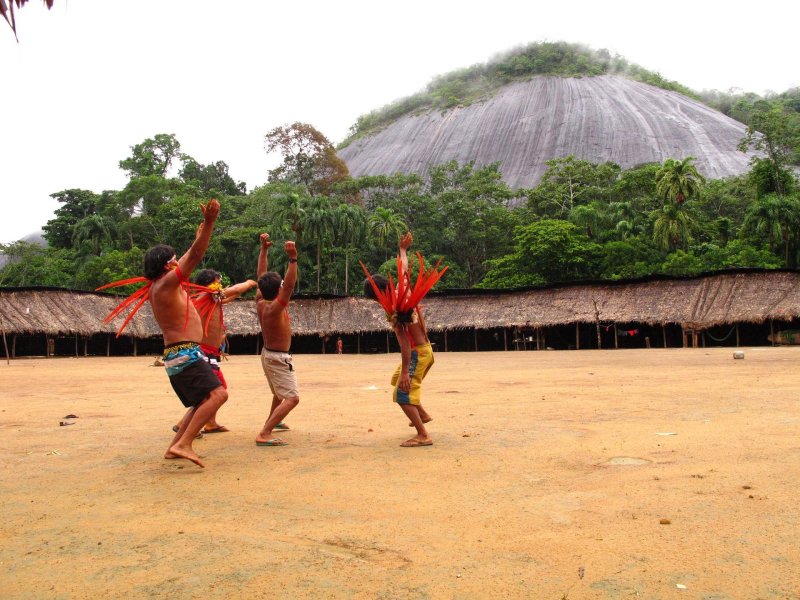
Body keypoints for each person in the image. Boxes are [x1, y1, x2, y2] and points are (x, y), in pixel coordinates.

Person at [148, 200, 227, 467]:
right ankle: (184, 444)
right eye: (173, 259)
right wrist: (211, 224)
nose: (176, 261)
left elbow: (192, 252)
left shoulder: (164, 285)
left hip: (180, 353)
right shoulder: (167, 283)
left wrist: (202, 231)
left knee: (201, 400)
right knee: (218, 395)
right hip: (184, 352)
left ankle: (174, 448)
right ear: (165, 265)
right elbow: (194, 255)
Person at [363, 232, 445, 447]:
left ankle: (423, 434)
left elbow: (405, 343)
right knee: (396, 378)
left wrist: (407, 370)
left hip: (418, 353)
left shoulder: (396, 309)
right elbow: (404, 272)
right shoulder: (402, 293)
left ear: (378, 295)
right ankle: (423, 414)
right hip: (425, 350)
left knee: (401, 393)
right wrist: (403, 250)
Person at [171, 269, 257, 435]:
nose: (221, 286)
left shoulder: (210, 299)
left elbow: (230, 296)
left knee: (218, 388)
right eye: (219, 281)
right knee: (212, 393)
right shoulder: (207, 295)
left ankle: (210, 423)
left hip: (210, 352)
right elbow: (235, 291)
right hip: (205, 351)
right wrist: (250, 283)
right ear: (210, 284)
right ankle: (183, 425)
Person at [254, 233, 300, 447]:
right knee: (292, 398)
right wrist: (293, 259)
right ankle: (264, 432)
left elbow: (261, 275)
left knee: (278, 394)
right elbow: (290, 286)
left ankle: (276, 419)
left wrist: (263, 250)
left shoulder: (261, 300)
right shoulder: (274, 307)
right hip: (277, 358)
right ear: (279, 289)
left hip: (269, 354)